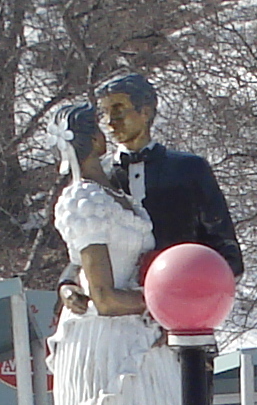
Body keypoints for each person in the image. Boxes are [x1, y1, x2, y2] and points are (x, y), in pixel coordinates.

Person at [45, 98, 184, 405]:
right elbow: (102, 297)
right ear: (97, 141)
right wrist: (162, 306)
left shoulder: (112, 194)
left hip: (141, 333)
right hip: (108, 339)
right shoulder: (82, 199)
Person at [92, 71, 241, 277]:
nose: (110, 121)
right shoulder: (99, 176)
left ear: (145, 112)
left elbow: (223, 244)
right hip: (117, 299)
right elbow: (84, 245)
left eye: (118, 110)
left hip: (182, 292)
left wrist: (208, 282)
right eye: (104, 112)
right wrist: (67, 284)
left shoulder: (189, 169)